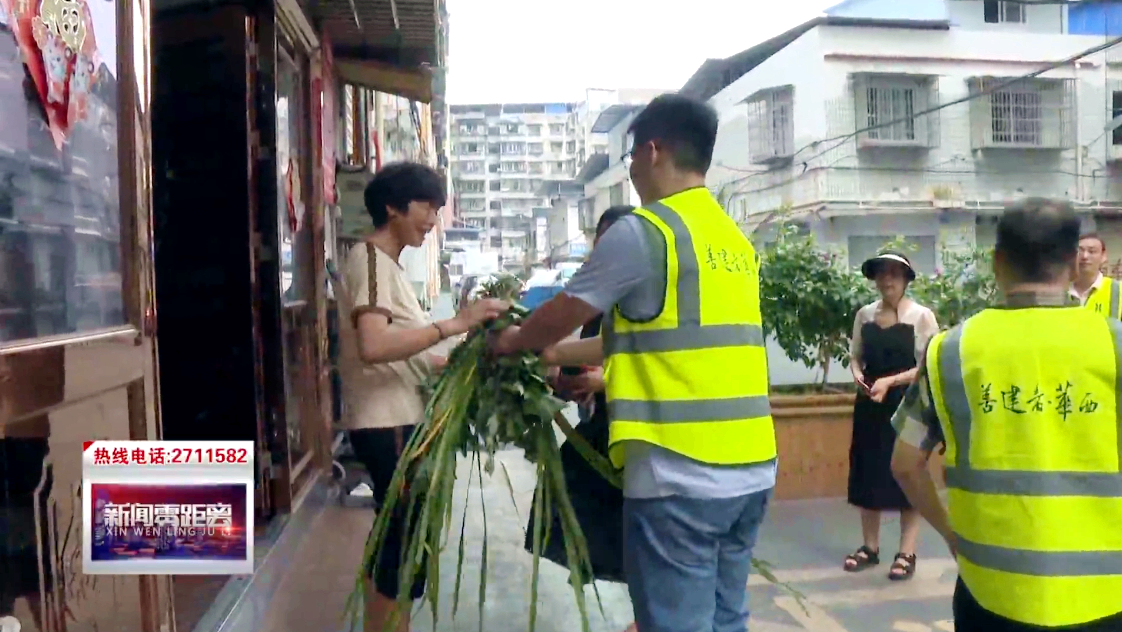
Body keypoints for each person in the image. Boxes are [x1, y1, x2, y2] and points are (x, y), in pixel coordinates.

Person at [491, 93, 775, 632]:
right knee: (725, 618)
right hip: (752, 468)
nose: (632, 170)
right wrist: (553, 354)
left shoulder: (647, 231)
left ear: (652, 150)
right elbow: (650, 338)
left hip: (680, 473)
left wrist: (512, 341)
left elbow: (565, 310)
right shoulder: (733, 240)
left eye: (631, 157)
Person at [890, 197, 1122, 632]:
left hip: (991, 590)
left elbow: (905, 465)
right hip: (1108, 595)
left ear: (997, 262)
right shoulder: (1115, 343)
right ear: (1074, 262)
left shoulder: (950, 351)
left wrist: (952, 535)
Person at [335, 161, 507, 632]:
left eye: (436, 209)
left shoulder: (384, 266)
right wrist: (454, 324)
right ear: (393, 207)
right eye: (426, 207)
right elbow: (373, 346)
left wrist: (468, 356)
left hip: (396, 418)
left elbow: (405, 352)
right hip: (387, 421)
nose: (432, 219)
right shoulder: (370, 260)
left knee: (395, 538)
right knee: (402, 542)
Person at [523, 205, 635, 630]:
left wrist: (605, 381)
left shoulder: (644, 297)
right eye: (600, 245)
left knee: (638, 533)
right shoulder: (599, 300)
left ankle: (649, 613)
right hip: (604, 429)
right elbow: (595, 350)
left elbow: (653, 358)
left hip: (638, 435)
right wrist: (560, 376)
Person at [844, 251, 937, 580]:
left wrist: (889, 382)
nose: (887, 280)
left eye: (894, 274)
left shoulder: (921, 316)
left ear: (906, 279)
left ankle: (906, 552)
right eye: (882, 274)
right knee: (867, 472)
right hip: (870, 401)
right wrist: (859, 376)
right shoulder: (864, 315)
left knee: (907, 474)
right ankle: (869, 547)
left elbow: (927, 366)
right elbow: (855, 356)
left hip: (906, 402)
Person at [1070, 233, 1119, 318]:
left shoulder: (1118, 291)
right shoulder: (1059, 291)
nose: (1085, 256)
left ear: (1103, 256)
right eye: (1079, 251)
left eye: (1092, 251)